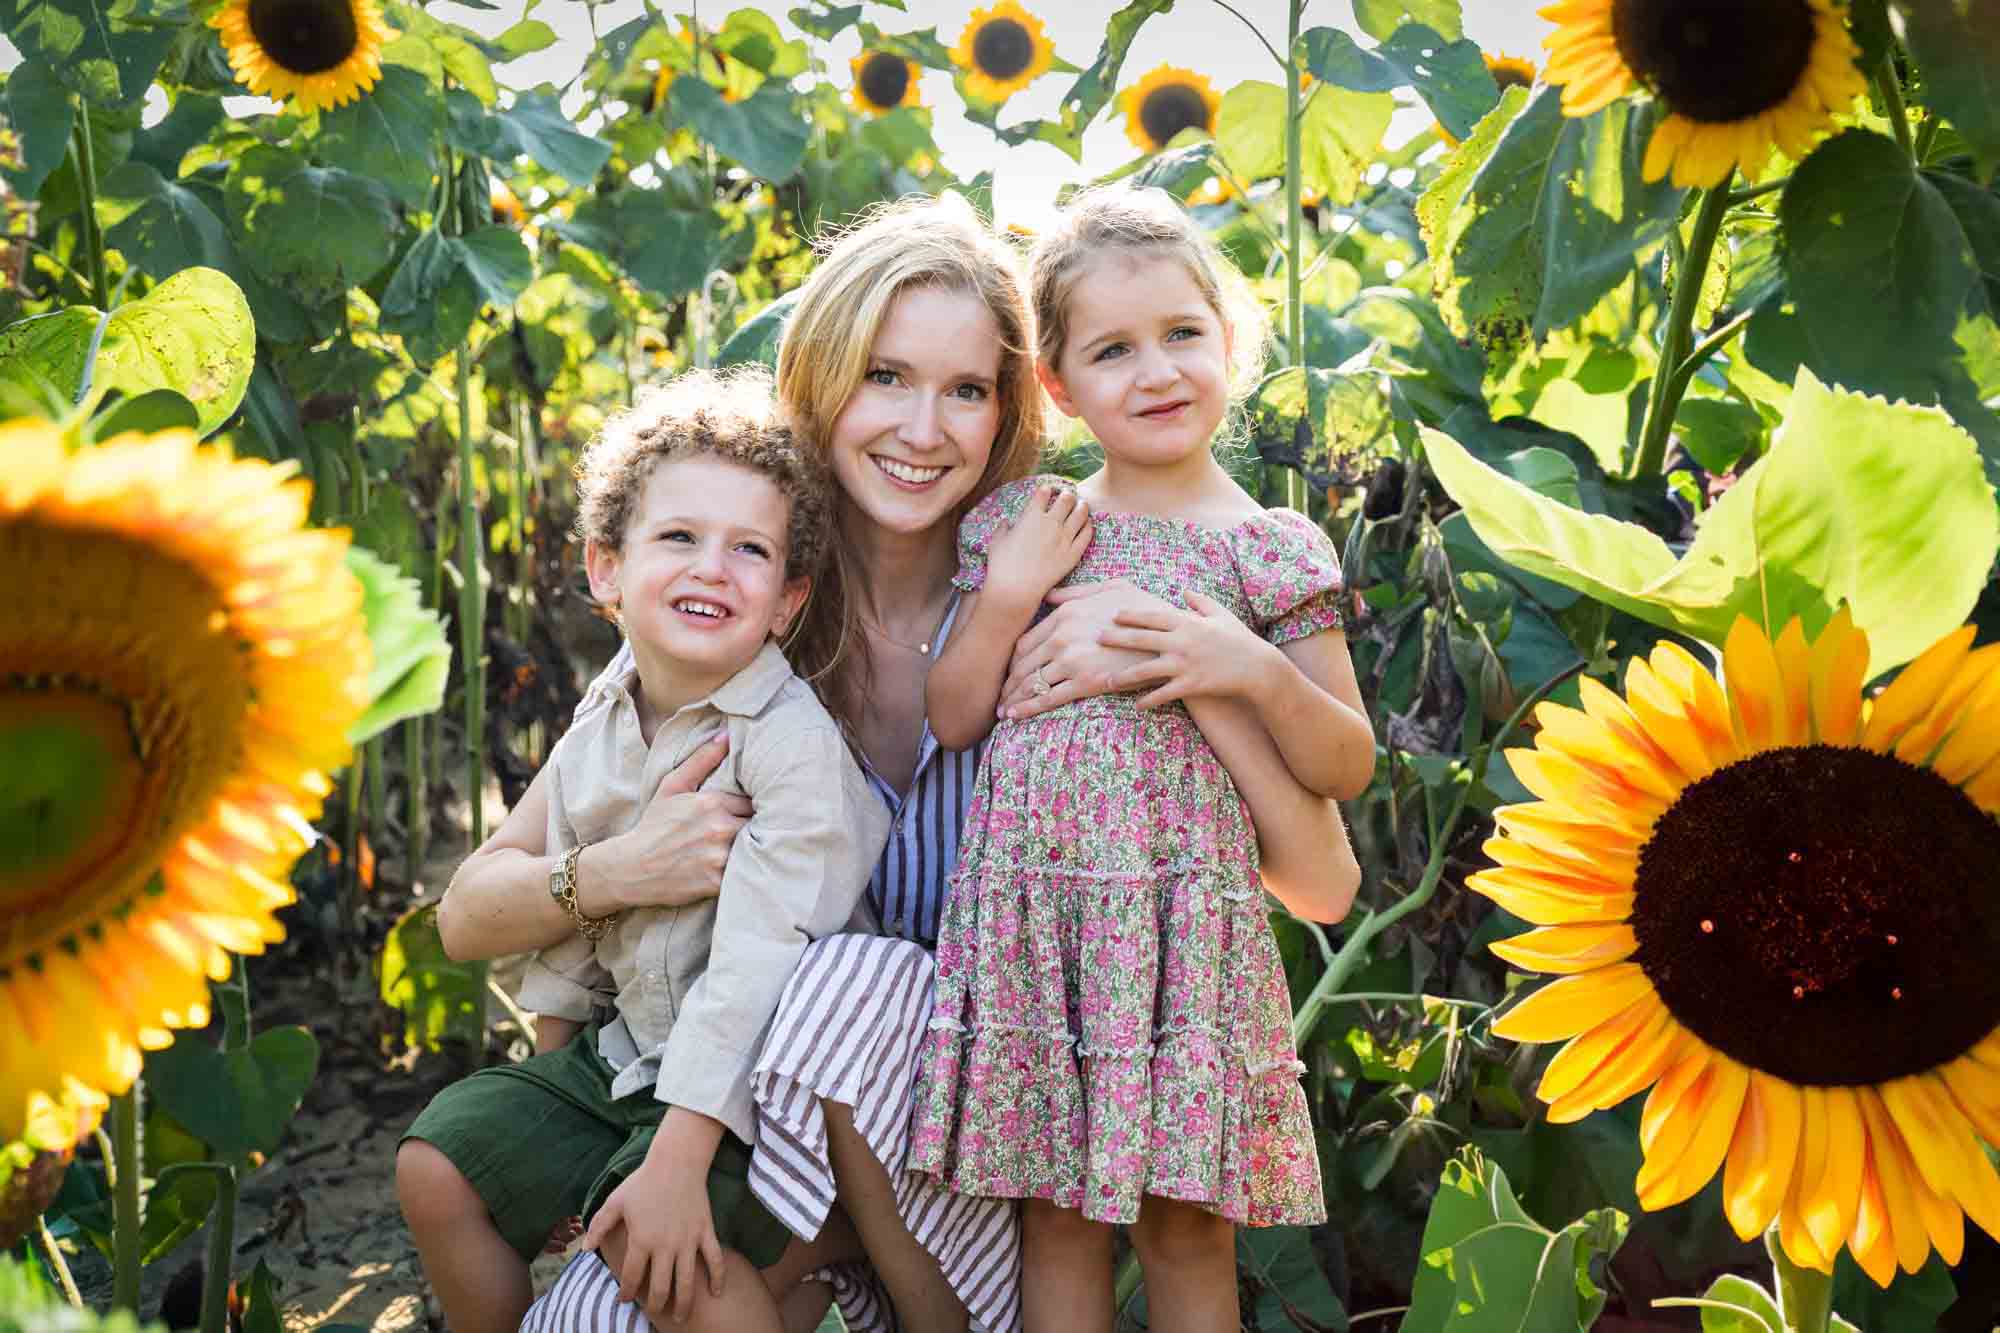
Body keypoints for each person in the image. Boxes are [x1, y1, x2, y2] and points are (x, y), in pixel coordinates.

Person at [490, 192, 1362, 1333]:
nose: (921, 426)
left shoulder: (1153, 560)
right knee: (582, 1326)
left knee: (866, 994)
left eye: (963, 389)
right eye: (884, 377)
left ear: (1009, 404)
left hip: (1007, 1141)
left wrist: (1211, 670)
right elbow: (510, 905)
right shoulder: (749, 603)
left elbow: (1325, 875)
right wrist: (611, 874)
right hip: (770, 1145)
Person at [908, 184, 1374, 1333]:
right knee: (1054, 1215)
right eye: (1111, 351)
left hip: (1184, 927)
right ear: (1058, 387)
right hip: (1038, 923)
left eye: (1180, 333)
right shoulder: (1029, 521)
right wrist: (1011, 589)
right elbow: (954, 711)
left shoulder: (1269, 548)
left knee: (1186, 1219)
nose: (1155, 370)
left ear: (1228, 338)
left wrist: (1239, 665)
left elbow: (1345, 762)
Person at [395, 367, 890, 1333]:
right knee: (438, 1164)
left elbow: (756, 965)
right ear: (605, 569)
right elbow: (576, 928)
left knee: (654, 1241)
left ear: (787, 599)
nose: (713, 566)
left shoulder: (785, 742)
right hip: (630, 1066)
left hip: (758, 1087)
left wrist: (673, 1161)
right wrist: (552, 1102)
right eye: (679, 537)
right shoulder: (601, 724)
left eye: (749, 550)